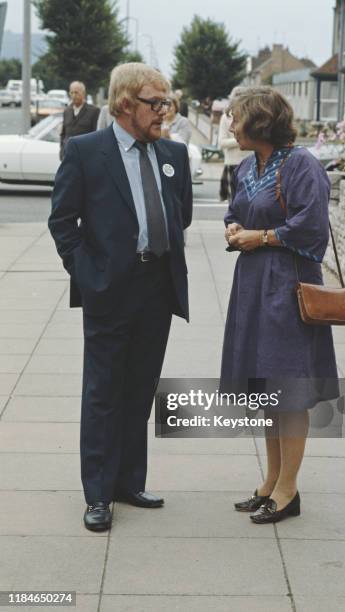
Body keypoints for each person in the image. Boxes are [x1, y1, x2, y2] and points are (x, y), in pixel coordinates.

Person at [48, 63, 193, 532]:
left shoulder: (173, 153)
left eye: (167, 103)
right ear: (125, 103)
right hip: (109, 291)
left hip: (157, 290)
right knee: (104, 393)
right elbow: (62, 221)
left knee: (139, 391)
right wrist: (89, 275)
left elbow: (181, 214)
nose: (164, 112)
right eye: (156, 103)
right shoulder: (87, 152)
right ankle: (98, 494)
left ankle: (130, 482)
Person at [221, 86, 338, 524]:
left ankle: (289, 491)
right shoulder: (250, 164)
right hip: (253, 284)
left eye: (236, 118)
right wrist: (234, 228)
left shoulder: (302, 164)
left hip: (288, 285)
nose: (231, 125)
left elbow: (311, 228)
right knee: (267, 388)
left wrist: (264, 237)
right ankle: (270, 482)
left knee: (288, 388)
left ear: (259, 121)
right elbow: (236, 209)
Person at [218, 86, 250, 202]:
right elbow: (222, 143)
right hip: (232, 164)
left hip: (251, 164)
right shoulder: (226, 117)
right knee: (234, 204)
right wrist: (242, 139)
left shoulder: (251, 116)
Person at [60, 81, 100, 160]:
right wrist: (62, 152)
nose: (74, 96)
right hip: (68, 157)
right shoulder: (66, 111)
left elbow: (96, 134)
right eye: (71, 93)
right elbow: (63, 134)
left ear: (83, 93)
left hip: (86, 157)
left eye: (76, 93)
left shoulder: (94, 111)